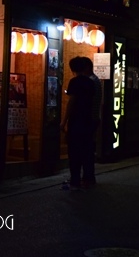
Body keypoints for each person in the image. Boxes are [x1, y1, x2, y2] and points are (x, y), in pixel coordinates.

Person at [60, 57, 95, 190]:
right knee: (86, 151)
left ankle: (75, 180)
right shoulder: (91, 83)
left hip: (76, 121)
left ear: (73, 68)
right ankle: (88, 178)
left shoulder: (74, 82)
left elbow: (71, 102)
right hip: (87, 120)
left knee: (74, 152)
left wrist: (64, 121)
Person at [80, 56, 102, 187]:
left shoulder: (91, 81)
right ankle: (89, 177)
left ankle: (87, 177)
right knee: (88, 149)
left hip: (89, 119)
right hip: (94, 119)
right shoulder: (96, 80)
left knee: (86, 149)